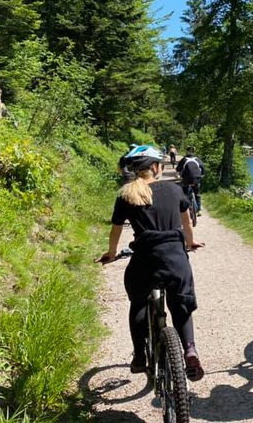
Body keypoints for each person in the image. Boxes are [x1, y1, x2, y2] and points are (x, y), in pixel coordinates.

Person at [97, 144, 206, 380]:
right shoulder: (175, 190)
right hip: (175, 259)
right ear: (155, 167)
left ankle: (139, 357)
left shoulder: (126, 195)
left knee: (138, 303)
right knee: (181, 305)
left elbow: (116, 231)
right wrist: (190, 242)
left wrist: (112, 253)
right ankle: (189, 350)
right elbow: (187, 223)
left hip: (145, 260)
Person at [175, 146, 205, 214]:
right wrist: (202, 175)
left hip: (186, 179)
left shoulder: (184, 159)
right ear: (194, 152)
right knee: (197, 193)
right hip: (197, 178)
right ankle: (199, 209)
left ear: (187, 152)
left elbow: (178, 169)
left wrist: (177, 175)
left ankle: (186, 209)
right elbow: (202, 168)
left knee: (185, 193)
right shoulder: (197, 159)